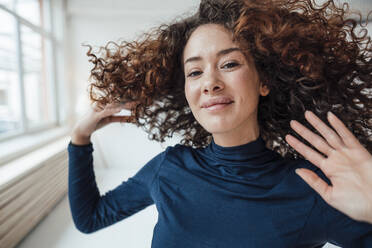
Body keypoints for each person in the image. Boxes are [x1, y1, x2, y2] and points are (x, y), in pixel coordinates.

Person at [68, 0, 372, 247]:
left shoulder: (309, 188)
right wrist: (80, 138)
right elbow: (90, 218)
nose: (210, 83)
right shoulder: (169, 169)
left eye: (229, 64)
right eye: (195, 72)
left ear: (263, 81)